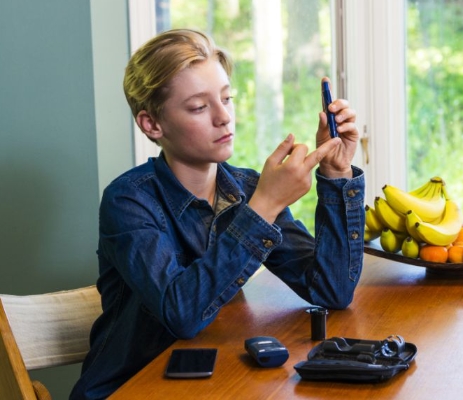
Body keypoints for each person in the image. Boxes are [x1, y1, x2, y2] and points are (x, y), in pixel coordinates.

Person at [70, 28, 365, 399]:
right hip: (128, 390)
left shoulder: (248, 188)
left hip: (211, 385)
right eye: (199, 107)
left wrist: (336, 173)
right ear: (152, 124)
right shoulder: (128, 201)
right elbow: (182, 314)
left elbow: (332, 291)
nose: (224, 117)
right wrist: (265, 206)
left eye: (227, 98)